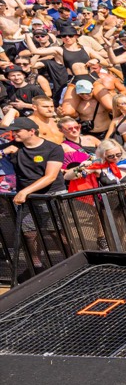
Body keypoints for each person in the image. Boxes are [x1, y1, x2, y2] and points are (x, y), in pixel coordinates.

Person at [2, 116, 66, 274]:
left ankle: (70, 261)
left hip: (49, 195)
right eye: (13, 131)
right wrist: (3, 152)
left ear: (32, 131)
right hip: (27, 199)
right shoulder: (14, 146)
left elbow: (50, 176)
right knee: (28, 233)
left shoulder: (53, 148)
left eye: (17, 131)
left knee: (56, 231)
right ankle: (36, 265)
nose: (13, 134)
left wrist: (25, 191)